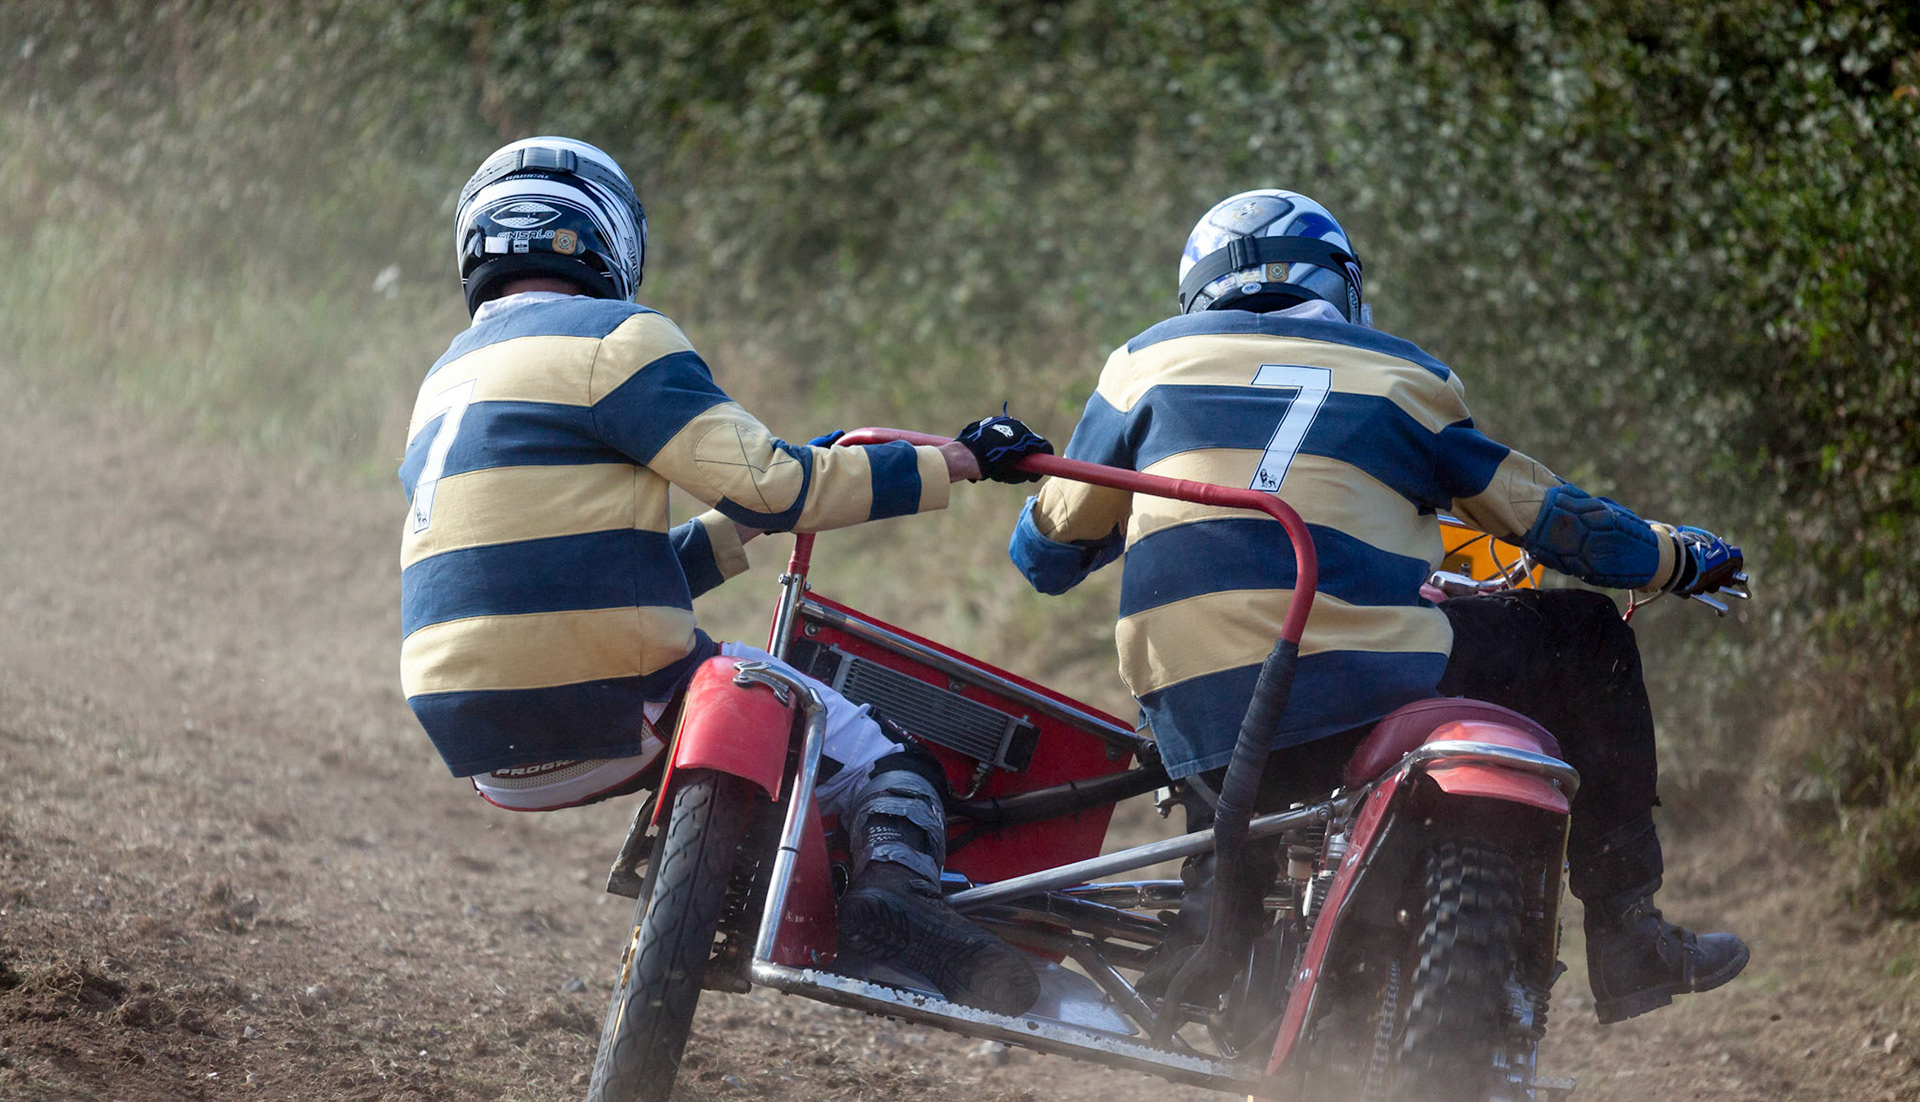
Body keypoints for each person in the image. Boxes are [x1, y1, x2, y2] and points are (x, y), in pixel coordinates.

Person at [1006, 189, 1749, 1025]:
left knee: (1220, 756)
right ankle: (1626, 930)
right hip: (1364, 682)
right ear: (1341, 282)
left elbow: (1043, 557)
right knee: (1587, 638)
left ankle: (1227, 924)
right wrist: (1678, 556)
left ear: (1196, 292)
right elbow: (1552, 522)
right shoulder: (1403, 379)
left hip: (1198, 707)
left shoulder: (1142, 364)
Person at [398, 137, 1053, 1014]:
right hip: (609, 703)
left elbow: (604, 575)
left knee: (719, 675)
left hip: (473, 733)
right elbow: (782, 484)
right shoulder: (617, 338)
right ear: (607, 238)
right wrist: (966, 461)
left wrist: (743, 520)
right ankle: (895, 905)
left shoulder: (445, 380)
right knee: (889, 758)